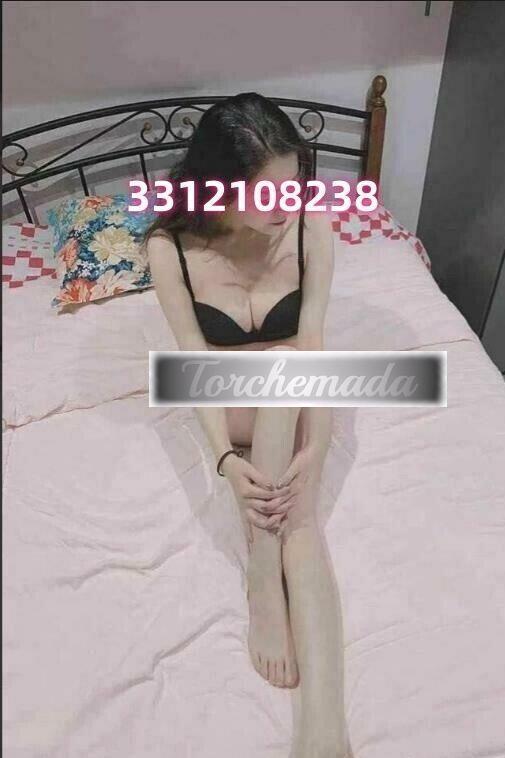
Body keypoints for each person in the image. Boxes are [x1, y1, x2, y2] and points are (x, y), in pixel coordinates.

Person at [144, 92, 353, 758]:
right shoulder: (170, 249)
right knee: (298, 516)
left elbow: (313, 341)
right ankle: (265, 576)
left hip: (295, 398)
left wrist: (318, 446)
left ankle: (324, 734)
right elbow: (191, 363)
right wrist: (225, 462)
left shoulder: (311, 228)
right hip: (229, 407)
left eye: (292, 187)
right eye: (266, 195)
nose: (284, 206)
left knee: (290, 383)